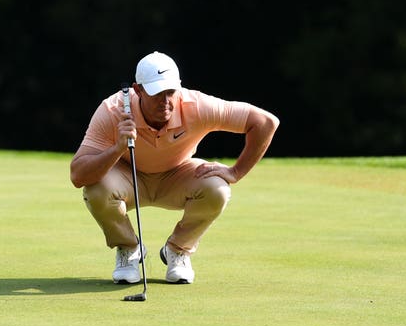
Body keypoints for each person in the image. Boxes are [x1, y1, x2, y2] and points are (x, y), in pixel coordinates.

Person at [70, 51, 279, 284]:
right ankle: (128, 248)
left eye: (170, 92)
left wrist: (236, 172)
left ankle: (178, 250)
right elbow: (78, 174)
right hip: (127, 178)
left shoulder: (196, 106)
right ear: (138, 90)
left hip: (177, 175)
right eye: (157, 93)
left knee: (218, 189)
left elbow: (265, 122)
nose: (166, 101)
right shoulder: (113, 109)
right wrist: (118, 147)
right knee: (95, 188)